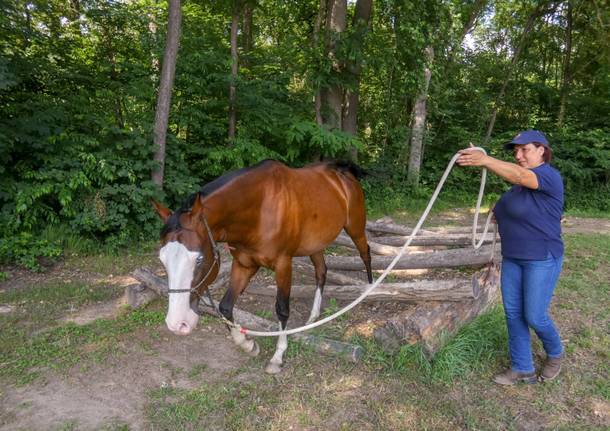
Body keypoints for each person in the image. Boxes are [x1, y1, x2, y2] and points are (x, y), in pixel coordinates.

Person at [457, 130, 564, 385]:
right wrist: (497, 213)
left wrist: (485, 160)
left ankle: (556, 354)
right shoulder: (517, 189)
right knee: (513, 312)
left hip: (541, 257)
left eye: (524, 149)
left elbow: (521, 175)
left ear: (541, 150)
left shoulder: (548, 175)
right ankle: (522, 366)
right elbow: (510, 204)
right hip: (513, 257)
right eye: (515, 151)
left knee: (535, 315)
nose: (518, 155)